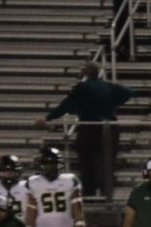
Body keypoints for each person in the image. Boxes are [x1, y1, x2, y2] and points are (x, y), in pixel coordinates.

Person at [35, 62, 132, 198]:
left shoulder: (82, 88)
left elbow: (65, 105)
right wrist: (114, 103)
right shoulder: (108, 86)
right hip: (110, 128)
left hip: (89, 127)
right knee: (107, 163)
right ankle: (107, 194)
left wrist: (48, 118)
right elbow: (128, 92)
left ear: (85, 73)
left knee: (88, 163)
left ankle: (89, 195)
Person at [0, 155, 30, 221]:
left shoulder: (27, 186)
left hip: (22, 225)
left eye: (11, 172)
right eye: (5, 172)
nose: (8, 174)